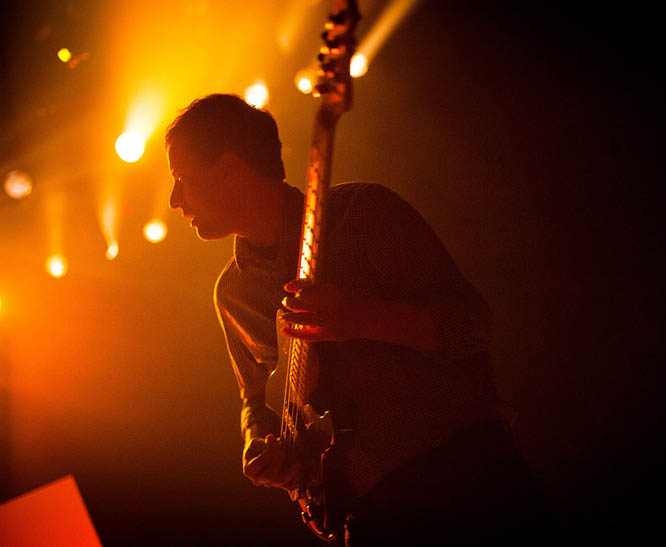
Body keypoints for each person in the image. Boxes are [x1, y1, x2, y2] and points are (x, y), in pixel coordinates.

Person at [166, 93, 542, 545]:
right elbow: (254, 396)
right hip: (364, 519)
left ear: (228, 168)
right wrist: (260, 445)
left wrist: (359, 318)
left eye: (182, 178)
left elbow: (471, 324)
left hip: (469, 485)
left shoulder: (363, 213)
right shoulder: (231, 294)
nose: (172, 200)